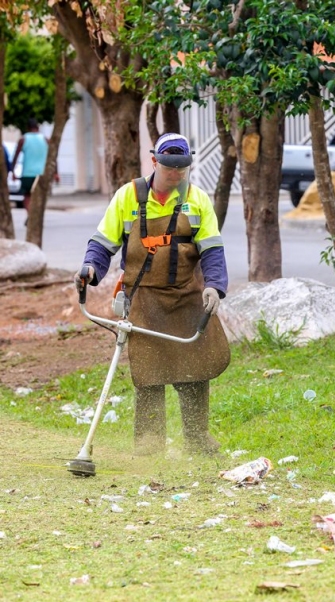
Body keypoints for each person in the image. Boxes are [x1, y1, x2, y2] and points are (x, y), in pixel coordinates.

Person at [74, 133, 231, 455]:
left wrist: (215, 286)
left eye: (181, 169)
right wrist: (90, 268)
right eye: (169, 168)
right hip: (143, 297)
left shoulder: (197, 199)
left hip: (187, 295)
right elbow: (103, 243)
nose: (174, 175)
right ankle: (149, 444)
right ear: (155, 161)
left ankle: (197, 438)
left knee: (196, 368)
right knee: (148, 372)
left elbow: (213, 249)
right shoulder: (127, 196)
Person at [11, 118, 49, 217]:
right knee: (40, 196)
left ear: (28, 128)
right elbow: (52, 156)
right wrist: (56, 172)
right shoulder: (45, 139)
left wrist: (13, 172)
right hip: (42, 173)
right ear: (38, 127)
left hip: (27, 173)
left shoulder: (23, 139)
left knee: (27, 195)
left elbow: (16, 156)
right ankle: (37, 215)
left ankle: (30, 214)